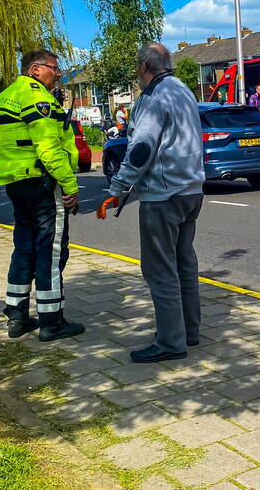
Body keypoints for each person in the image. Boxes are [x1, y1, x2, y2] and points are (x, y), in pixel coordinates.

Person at [98, 43, 205, 363]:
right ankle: (189, 331)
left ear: (144, 66)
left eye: (137, 65)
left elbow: (142, 149)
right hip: (191, 190)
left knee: (160, 269)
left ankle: (171, 342)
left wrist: (118, 188)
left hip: (163, 194)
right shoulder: (182, 89)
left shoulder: (152, 97)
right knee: (184, 263)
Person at [0, 49, 83, 342]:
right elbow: (48, 147)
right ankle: (52, 322)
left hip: (16, 181)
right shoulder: (37, 97)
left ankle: (17, 316)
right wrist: (69, 185)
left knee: (24, 247)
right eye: (54, 68)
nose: (58, 73)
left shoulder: (6, 95)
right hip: (42, 182)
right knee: (50, 252)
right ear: (35, 69)